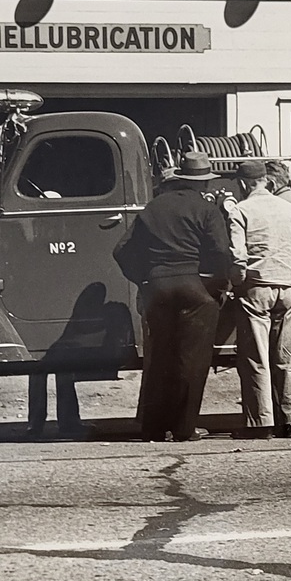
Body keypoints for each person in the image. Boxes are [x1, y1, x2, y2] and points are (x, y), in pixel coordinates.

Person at [114, 150, 234, 442]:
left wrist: (144, 279)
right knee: (192, 360)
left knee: (161, 358)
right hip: (193, 287)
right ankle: (184, 428)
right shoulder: (206, 209)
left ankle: (153, 427)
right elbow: (220, 251)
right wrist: (216, 285)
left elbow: (121, 251)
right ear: (203, 183)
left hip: (157, 288)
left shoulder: (153, 207)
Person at [229, 159, 291, 439]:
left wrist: (237, 284)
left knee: (256, 357)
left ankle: (260, 422)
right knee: (287, 356)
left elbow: (238, 256)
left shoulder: (241, 210)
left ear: (242, 184)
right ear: (267, 181)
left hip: (257, 289)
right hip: (290, 288)